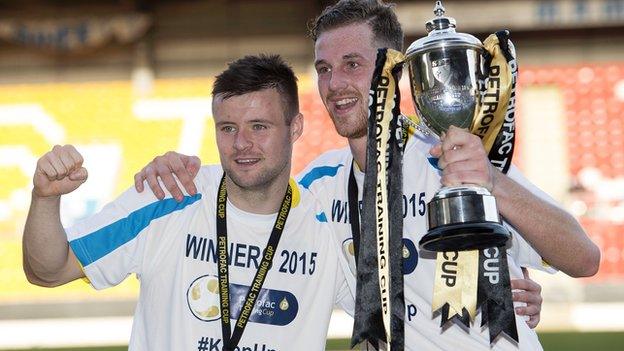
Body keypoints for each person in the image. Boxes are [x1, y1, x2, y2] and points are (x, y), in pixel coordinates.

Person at [133, 1, 601, 349]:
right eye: (323, 69)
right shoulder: (317, 186)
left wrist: (493, 184)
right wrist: (171, 169)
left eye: (353, 65)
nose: (335, 84)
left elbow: (583, 258)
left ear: (394, 71)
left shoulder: (453, 160)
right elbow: (246, 207)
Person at [22, 54, 353, 351]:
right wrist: (45, 198)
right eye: (227, 128)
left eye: (258, 126)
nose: (241, 143)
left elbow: (389, 325)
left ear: (295, 127)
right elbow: (49, 270)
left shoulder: (329, 227)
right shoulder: (167, 195)